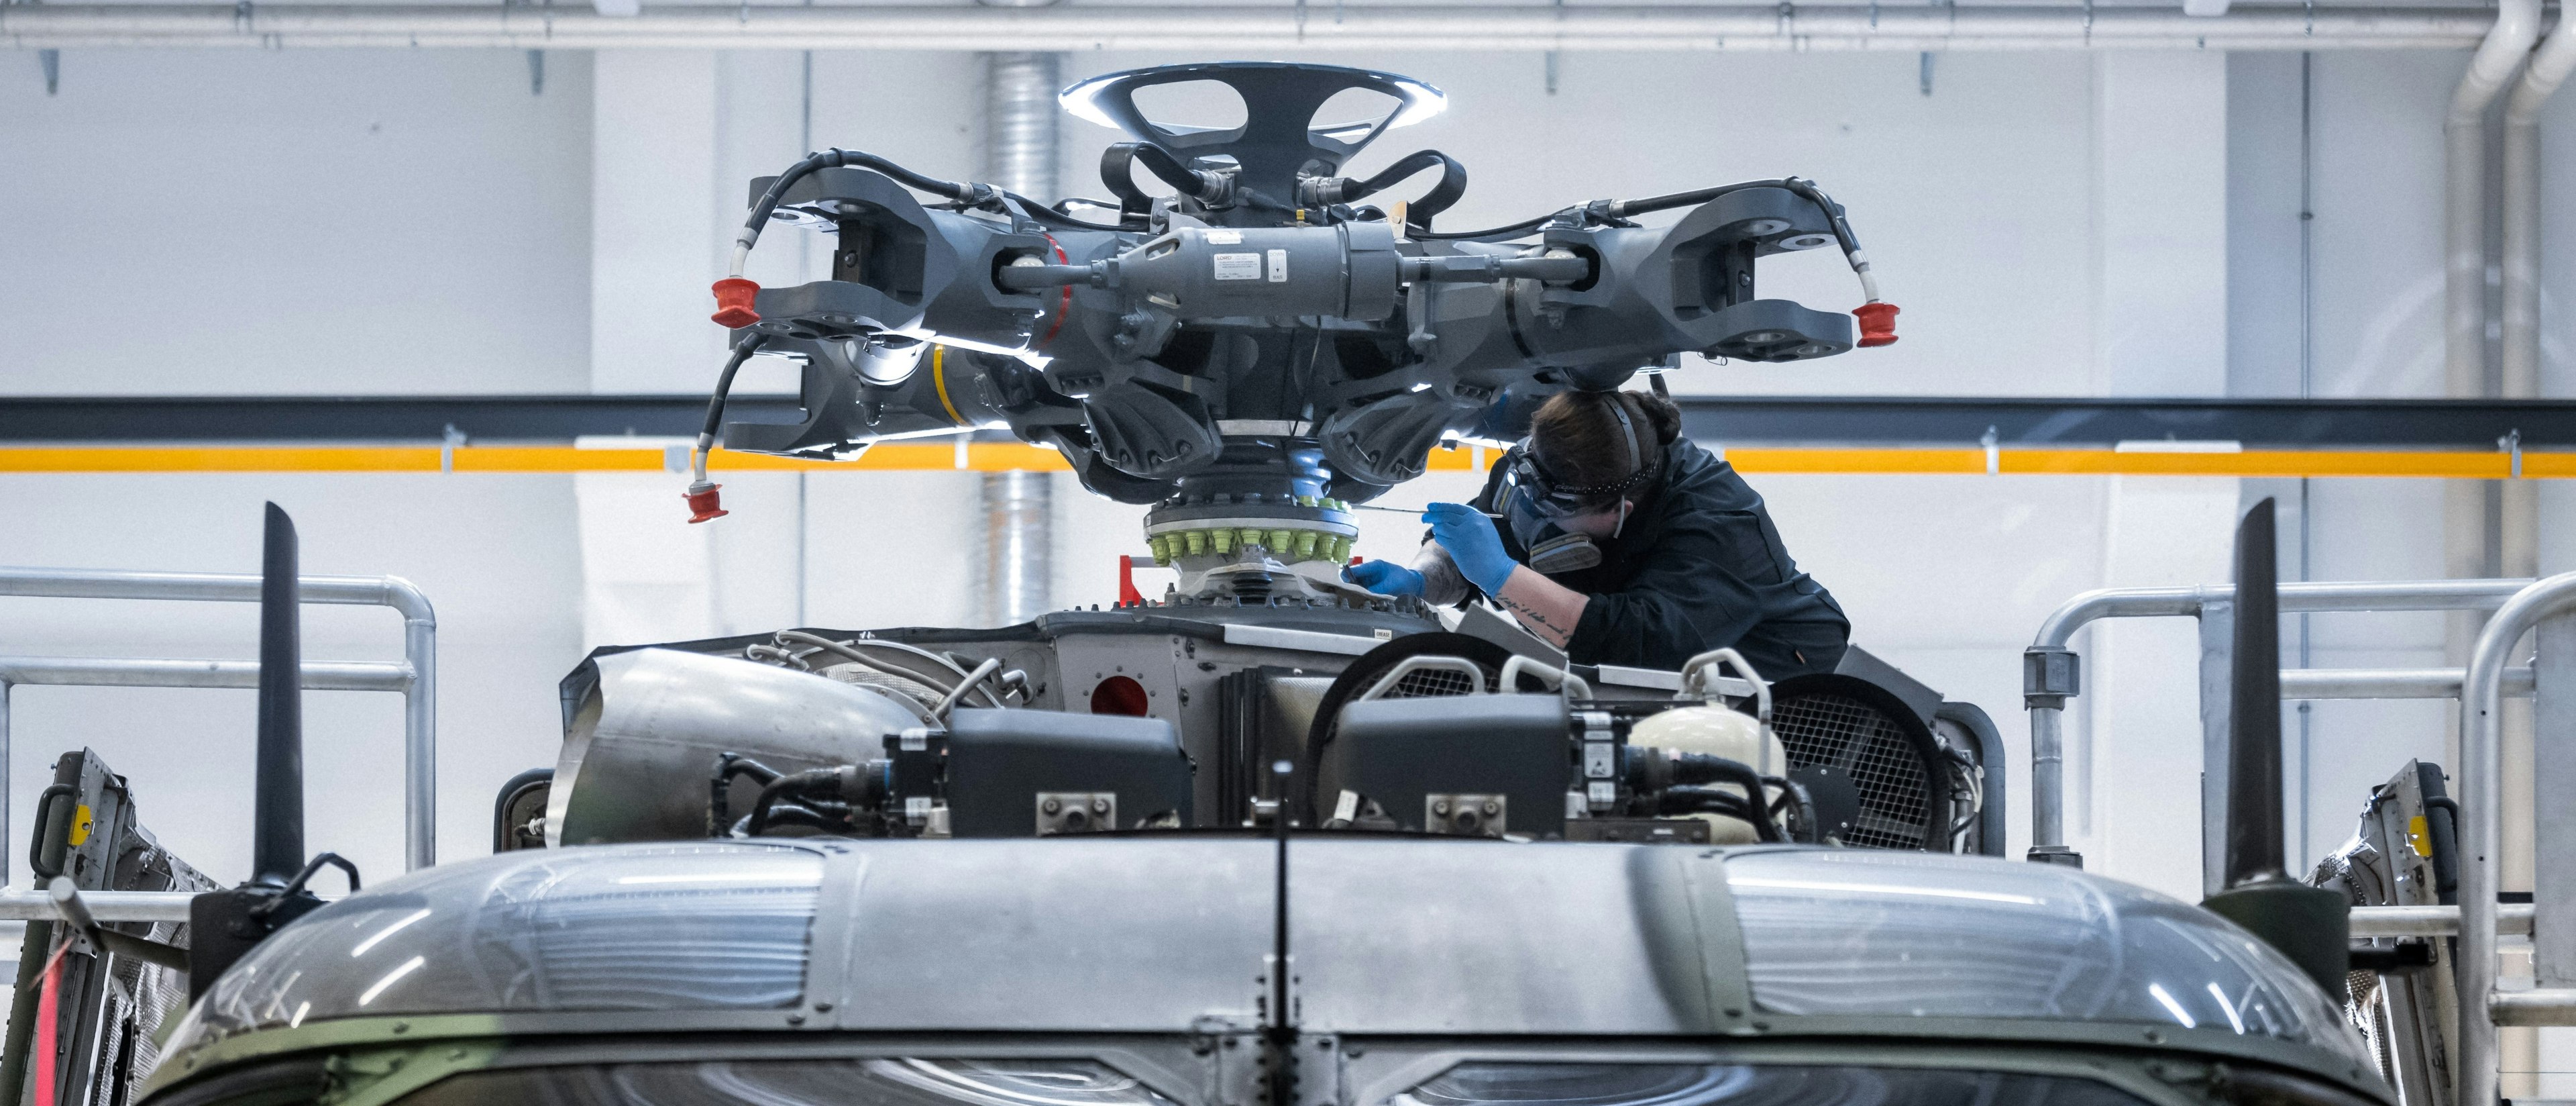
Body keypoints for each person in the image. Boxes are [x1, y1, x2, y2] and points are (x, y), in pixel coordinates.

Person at [1344, 388, 1849, 678]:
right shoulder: (1539, 471)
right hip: (1637, 686)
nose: (1533, 513)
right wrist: (1422, 580)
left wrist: (1501, 577)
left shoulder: (1719, 523)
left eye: (1555, 509)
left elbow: (1636, 646)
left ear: (1620, 513)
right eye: (1527, 490)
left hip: (1781, 692)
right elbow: (1470, 547)